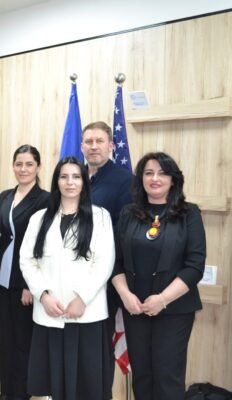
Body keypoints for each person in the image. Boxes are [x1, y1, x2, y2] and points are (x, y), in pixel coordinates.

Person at [111, 152, 206, 400]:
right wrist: (125, 295)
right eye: (149, 173)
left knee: (167, 377)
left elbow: (195, 266)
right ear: (141, 178)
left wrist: (162, 299)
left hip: (174, 310)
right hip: (135, 309)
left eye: (162, 173)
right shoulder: (128, 213)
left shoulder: (189, 213)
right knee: (142, 376)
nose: (155, 178)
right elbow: (116, 261)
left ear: (173, 180)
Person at [20, 156, 115, 400]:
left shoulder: (100, 217)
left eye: (76, 177)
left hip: (87, 313)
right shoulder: (39, 218)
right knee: (53, 384)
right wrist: (43, 295)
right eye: (64, 177)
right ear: (56, 181)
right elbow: (27, 261)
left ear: (84, 182)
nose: (70, 182)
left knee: (86, 385)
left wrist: (82, 299)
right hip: (50, 313)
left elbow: (104, 263)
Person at [0, 145, 49, 400]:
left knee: (23, 343)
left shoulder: (46, 199)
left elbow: (43, 244)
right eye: (19, 164)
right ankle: (6, 393)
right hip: (1, 281)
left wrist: (30, 285)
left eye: (29, 164)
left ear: (38, 167)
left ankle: (21, 394)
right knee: (6, 340)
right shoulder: (4, 196)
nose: (23, 169)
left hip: (25, 283)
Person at [80, 121, 133, 396]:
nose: (93, 146)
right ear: (81, 146)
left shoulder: (124, 180)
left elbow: (123, 228)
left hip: (104, 279)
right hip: (71, 276)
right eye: (88, 141)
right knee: (75, 344)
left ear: (111, 145)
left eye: (99, 141)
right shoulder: (74, 177)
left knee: (99, 347)